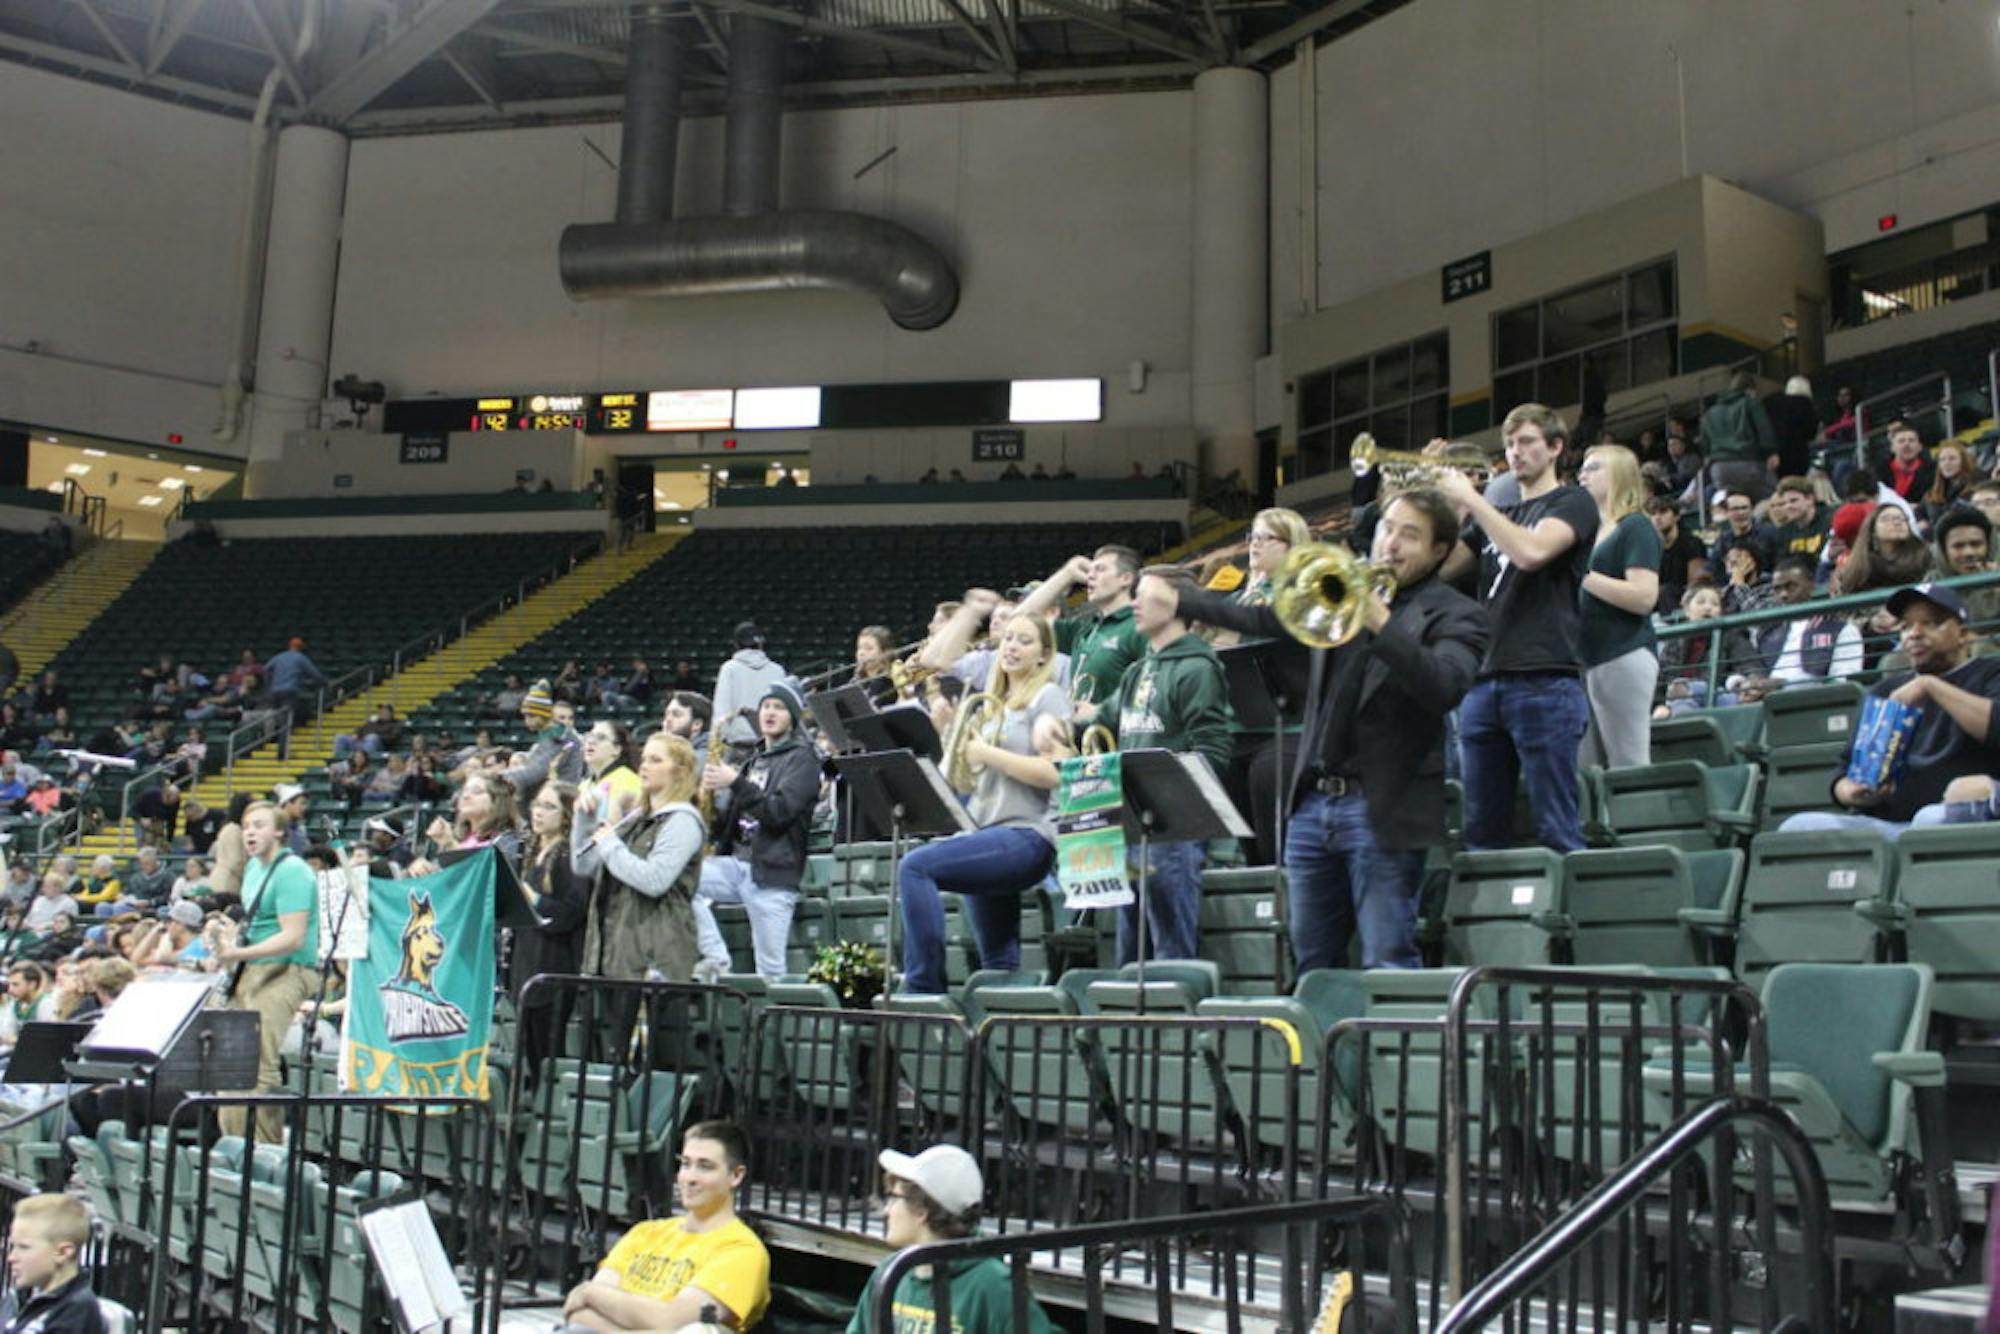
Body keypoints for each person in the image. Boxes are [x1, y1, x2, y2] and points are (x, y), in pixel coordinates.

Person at [1181, 490, 1485, 970]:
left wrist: (1381, 622)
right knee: (1310, 961)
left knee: (1387, 956)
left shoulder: (1457, 613)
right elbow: (1265, 618)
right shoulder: (1337, 596)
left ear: (1440, 551)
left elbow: (1443, 686)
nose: (1392, 544)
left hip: (1383, 807)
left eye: (1411, 535)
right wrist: (1184, 600)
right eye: (1388, 528)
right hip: (1313, 804)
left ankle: (1392, 1046)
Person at [1434, 405, 1599, 852]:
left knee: (1557, 827)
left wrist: (1473, 501)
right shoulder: (1496, 514)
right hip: (1483, 681)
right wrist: (1439, 502)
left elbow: (1531, 552)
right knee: (1481, 831)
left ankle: (1567, 917)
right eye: (1509, 444)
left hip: (1544, 675)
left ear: (1555, 447)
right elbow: (1437, 571)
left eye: (1527, 442)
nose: (1515, 452)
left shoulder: (1573, 502)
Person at [895, 615, 1069, 993]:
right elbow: (965, 779)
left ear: (1044, 655)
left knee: (915, 868)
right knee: (999, 965)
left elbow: (1056, 773)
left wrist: (986, 753)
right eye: (1007, 638)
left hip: (1028, 835)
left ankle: (923, 986)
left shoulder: (1048, 696)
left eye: (1024, 641)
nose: (1011, 646)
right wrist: (953, 740)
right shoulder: (994, 705)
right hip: (989, 832)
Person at [1779, 584, 2000, 838]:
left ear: (1963, 634)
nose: (1914, 634)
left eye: (1930, 623)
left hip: (1956, 819)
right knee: (1796, 828)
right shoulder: (1885, 690)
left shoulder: (1990, 673)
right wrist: (1852, 792)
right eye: (1906, 626)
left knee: (1929, 820)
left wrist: (1930, 686)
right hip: (1888, 826)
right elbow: (1845, 770)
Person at [1091, 566, 1231, 963]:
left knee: (1169, 951)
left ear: (1176, 605)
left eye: (1144, 595)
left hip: (1176, 830)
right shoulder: (1138, 669)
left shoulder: (1198, 668)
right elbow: (1102, 717)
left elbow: (1213, 751)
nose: (1133, 603)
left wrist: (1171, 796)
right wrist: (1058, 724)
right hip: (1136, 821)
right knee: (1130, 951)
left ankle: (1173, 1023)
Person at [562, 1121, 769, 1332]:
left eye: (705, 1166)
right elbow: (580, 1314)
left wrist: (588, 1293)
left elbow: (669, 1321)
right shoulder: (646, 1233)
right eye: (686, 1164)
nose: (690, 1178)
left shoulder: (742, 1250)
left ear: (736, 1175)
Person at [574, 733, 705, 1058]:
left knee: (639, 1066)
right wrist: (584, 820)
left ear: (680, 770)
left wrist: (611, 845)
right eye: (644, 758)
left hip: (652, 963)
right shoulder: (636, 819)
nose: (644, 766)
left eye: (656, 760)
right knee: (611, 1061)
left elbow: (655, 879)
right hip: (615, 957)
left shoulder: (683, 821)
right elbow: (583, 865)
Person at [848, 1145, 1056, 1334]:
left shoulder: (994, 1285)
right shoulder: (888, 1272)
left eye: (894, 1198)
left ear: (922, 1210)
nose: (886, 1210)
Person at [693, 684, 820, 981]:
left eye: (778, 707)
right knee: (680, 878)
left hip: (773, 874)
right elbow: (739, 815)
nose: (770, 712)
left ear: (792, 716)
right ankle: (715, 957)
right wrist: (711, 801)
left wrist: (735, 783)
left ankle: (773, 1025)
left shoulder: (803, 759)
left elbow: (778, 812)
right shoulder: (754, 759)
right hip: (736, 865)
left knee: (771, 971)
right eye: (766, 707)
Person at [211, 800, 318, 1143]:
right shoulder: (254, 868)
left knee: (258, 1067)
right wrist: (226, 932)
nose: (249, 832)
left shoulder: (293, 871)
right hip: (251, 968)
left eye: (258, 825)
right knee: (229, 1064)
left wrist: (238, 950)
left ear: (279, 832)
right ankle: (232, 1149)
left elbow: (292, 936)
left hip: (288, 969)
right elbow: (257, 923)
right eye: (245, 827)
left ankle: (264, 1155)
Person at [1577, 444, 1662, 770]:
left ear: (1620, 474)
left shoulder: (1635, 525)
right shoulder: (1589, 533)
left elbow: (1643, 597)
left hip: (1622, 652)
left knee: (1628, 762)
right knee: (1586, 769)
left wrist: (1583, 576)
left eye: (1594, 467)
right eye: (1583, 467)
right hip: (1586, 658)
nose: (1583, 474)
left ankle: (1638, 821)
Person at [1011, 544, 1147, 716]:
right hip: (1080, 738)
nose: (1090, 575)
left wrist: (1101, 713)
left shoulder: (1141, 627)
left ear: (1126, 578)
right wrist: (1066, 574)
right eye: (1090, 570)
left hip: (1119, 739)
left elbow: (1155, 695)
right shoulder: (1084, 630)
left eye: (1100, 569)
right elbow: (1018, 621)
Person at [515, 781, 589, 1080]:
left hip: (555, 966)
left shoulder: (569, 855)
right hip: (526, 966)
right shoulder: (532, 852)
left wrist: (534, 899)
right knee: (531, 1056)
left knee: (549, 1055)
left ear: (567, 814)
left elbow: (572, 911)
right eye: (536, 805)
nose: (538, 812)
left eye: (549, 806)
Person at [1, 1194, 104, 1333]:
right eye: (13, 1246)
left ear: (63, 1253)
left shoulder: (76, 1313)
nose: (11, 1257)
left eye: (24, 1247)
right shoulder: (23, 1295)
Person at [1752, 556, 1863, 685]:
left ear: (1812, 586)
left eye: (1791, 586)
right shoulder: (1765, 632)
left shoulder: (1840, 630)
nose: (1783, 594)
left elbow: (1843, 682)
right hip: (1763, 697)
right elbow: (1752, 670)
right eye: (1777, 589)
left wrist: (1781, 685)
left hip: (1810, 697)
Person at [1700, 370, 1776, 504]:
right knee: (1772, 500)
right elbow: (1764, 430)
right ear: (1750, 389)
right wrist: (1770, 452)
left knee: (1734, 506)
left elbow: (1705, 444)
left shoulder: (1710, 412)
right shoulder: (1750, 403)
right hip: (1748, 463)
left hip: (1719, 469)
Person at [713, 623, 788, 750]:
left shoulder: (729, 668)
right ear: (760, 644)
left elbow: (722, 711)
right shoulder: (778, 670)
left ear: (736, 644)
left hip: (738, 745)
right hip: (771, 744)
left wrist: (718, 742)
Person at [506, 680, 586, 793]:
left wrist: (499, 777)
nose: (527, 721)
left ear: (543, 715)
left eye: (531, 716)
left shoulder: (557, 737)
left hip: (562, 797)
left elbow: (536, 771)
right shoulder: (551, 734)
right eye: (525, 716)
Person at [1933, 506, 2000, 627]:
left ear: (1989, 546)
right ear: (1944, 551)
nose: (1968, 552)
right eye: (1958, 546)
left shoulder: (1997, 579)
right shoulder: (1931, 584)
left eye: (1976, 544)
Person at [1647, 496, 1709, 613]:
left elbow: (1697, 582)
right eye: (1653, 514)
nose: (1657, 517)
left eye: (1663, 512)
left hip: (1685, 599)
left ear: (1677, 516)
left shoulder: (1691, 542)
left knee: (1667, 592)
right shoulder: (1649, 549)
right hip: (1657, 601)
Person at [580, 721, 643, 824]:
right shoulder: (584, 785)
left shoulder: (629, 781)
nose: (591, 741)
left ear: (617, 749)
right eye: (589, 736)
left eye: (601, 738)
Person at [1708, 492, 1778, 578]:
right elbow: (1713, 570)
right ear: (1726, 512)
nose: (1741, 513)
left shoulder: (1770, 533)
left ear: (1751, 510)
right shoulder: (1723, 540)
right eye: (1735, 509)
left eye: (1744, 508)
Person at [1764, 375, 1820, 479]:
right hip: (1797, 455)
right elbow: (1811, 432)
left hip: (1775, 455)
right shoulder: (1805, 404)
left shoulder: (1771, 403)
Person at [1769, 476, 1832, 565]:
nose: (1788, 506)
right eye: (1784, 503)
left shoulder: (1830, 521)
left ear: (1810, 499)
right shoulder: (1784, 532)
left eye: (1793, 501)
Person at [1881, 421, 1936, 507]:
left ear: (1919, 447)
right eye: (1901, 441)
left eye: (1911, 440)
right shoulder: (1878, 473)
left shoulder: (1934, 472)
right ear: (1892, 448)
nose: (1907, 444)